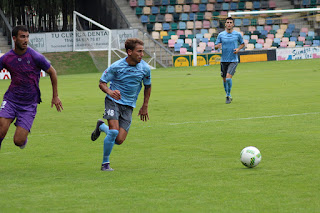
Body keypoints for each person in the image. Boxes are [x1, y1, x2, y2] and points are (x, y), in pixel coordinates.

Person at [91, 38, 151, 171]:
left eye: (143, 51)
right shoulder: (116, 66)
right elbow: (102, 82)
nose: (142, 54)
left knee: (119, 140)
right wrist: (110, 92)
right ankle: (105, 164)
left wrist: (145, 105)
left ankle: (101, 126)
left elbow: (148, 86)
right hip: (113, 101)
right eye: (139, 51)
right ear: (129, 52)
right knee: (113, 132)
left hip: (129, 105)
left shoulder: (145, 69)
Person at [0, 25, 63, 150]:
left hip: (29, 104)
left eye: (27, 37)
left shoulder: (35, 57)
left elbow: (53, 72)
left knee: (18, 141)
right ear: (14, 38)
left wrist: (55, 96)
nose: (26, 40)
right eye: (22, 37)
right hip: (11, 100)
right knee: (1, 128)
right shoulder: (7, 58)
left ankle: (23, 138)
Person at [215, 17, 245, 104]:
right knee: (224, 79)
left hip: (233, 60)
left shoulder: (237, 34)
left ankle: (228, 95)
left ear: (233, 24)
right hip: (223, 60)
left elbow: (242, 44)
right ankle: (228, 94)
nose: (229, 24)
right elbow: (216, 45)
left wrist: (238, 49)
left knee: (228, 78)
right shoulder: (221, 35)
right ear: (225, 24)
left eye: (230, 22)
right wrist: (217, 46)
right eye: (227, 22)